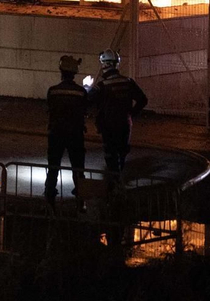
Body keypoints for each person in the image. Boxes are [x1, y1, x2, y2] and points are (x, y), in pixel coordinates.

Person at [89, 49, 147, 179]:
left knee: (111, 156)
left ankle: (113, 187)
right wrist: (131, 114)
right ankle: (118, 184)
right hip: (125, 124)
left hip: (108, 126)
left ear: (105, 64)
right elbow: (143, 100)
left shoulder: (102, 85)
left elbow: (87, 100)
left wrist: (87, 88)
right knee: (122, 153)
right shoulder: (128, 81)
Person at [44, 55, 88, 211]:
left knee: (53, 166)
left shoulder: (53, 91)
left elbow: (49, 108)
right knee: (78, 167)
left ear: (61, 71)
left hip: (56, 133)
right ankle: (80, 197)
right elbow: (85, 110)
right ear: (74, 73)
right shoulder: (81, 92)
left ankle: (49, 195)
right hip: (75, 134)